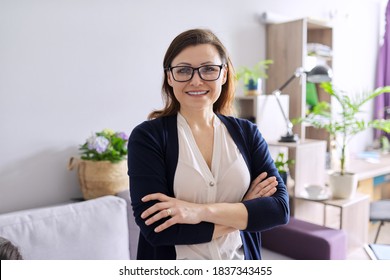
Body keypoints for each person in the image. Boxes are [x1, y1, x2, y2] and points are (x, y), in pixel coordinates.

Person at [127, 28, 289, 260]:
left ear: (224, 75)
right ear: (170, 77)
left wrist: (198, 212)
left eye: (209, 69)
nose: (196, 80)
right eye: (183, 70)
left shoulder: (247, 133)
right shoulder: (147, 137)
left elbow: (278, 210)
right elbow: (157, 228)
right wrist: (243, 210)